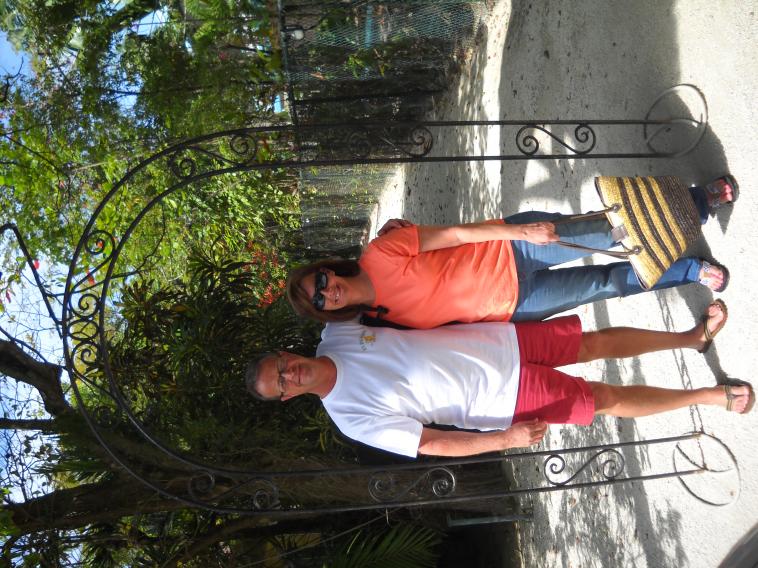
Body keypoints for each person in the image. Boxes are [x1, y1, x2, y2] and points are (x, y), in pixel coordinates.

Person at [246, 301, 753, 457]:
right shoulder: (349, 417)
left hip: (497, 341)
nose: (289, 376)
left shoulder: (336, 333)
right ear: (289, 398)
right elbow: (431, 443)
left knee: (592, 342)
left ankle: (691, 338)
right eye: (282, 384)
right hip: (500, 397)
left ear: (286, 354)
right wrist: (504, 439)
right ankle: (708, 396)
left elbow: (368, 287)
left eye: (281, 368)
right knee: (602, 397)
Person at [287, 175, 738, 328]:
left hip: (513, 250)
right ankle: (690, 270)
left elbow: (456, 235)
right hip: (515, 305)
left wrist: (524, 232)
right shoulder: (378, 322)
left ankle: (699, 201)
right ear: (324, 312)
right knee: (606, 284)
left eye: (320, 281)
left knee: (611, 230)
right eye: (319, 300)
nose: (328, 291)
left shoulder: (380, 254)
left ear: (328, 269)